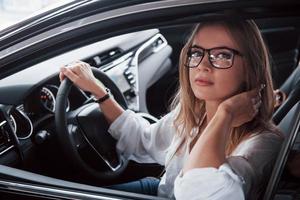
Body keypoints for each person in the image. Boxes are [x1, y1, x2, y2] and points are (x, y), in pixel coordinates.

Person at [59, 20, 283, 200]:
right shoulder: (193, 114)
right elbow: (143, 140)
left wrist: (225, 114)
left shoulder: (263, 144)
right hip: (160, 190)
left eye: (222, 55)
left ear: (250, 69)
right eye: (197, 53)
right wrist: (100, 93)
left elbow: (200, 193)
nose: (203, 65)